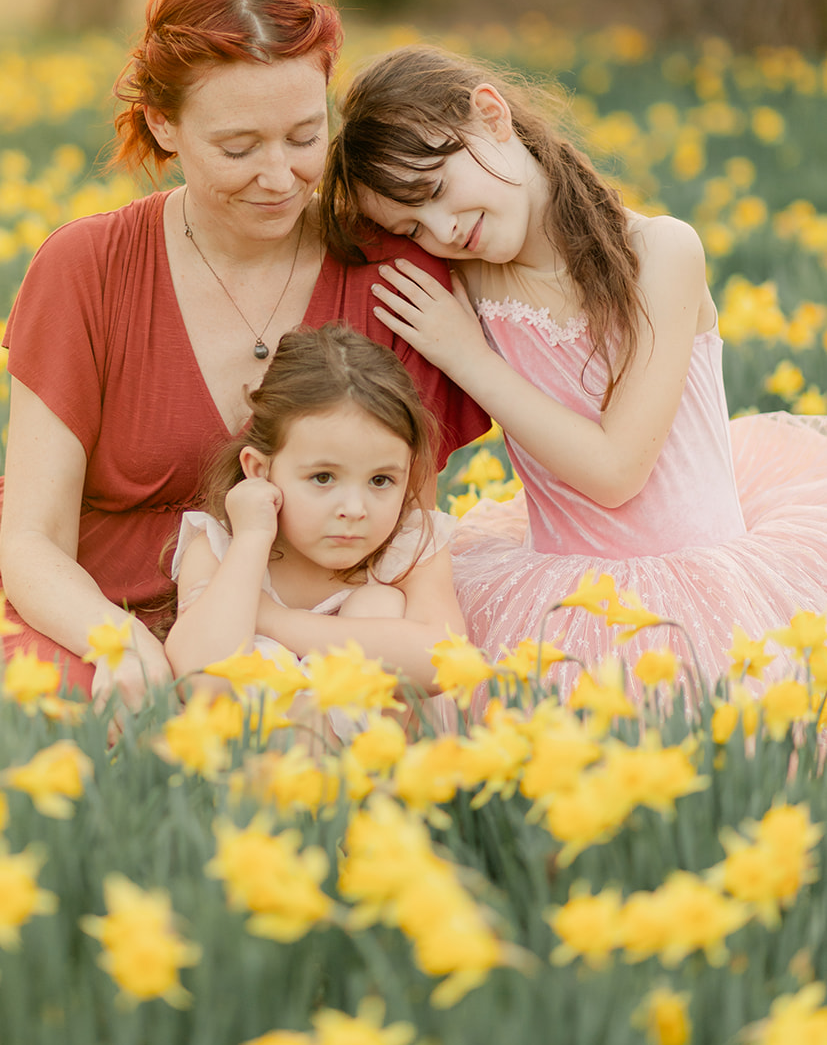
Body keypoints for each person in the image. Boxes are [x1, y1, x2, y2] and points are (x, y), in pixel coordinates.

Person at [0, 0, 488, 715]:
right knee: (67, 713)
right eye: (237, 147)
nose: (278, 176)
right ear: (163, 123)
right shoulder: (87, 265)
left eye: (302, 136)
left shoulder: (391, 278)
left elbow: (392, 545)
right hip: (55, 595)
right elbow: (31, 542)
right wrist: (120, 644)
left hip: (257, 616)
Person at [320, 44, 827, 687]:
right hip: (561, 592)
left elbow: (617, 472)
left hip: (705, 591)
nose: (441, 231)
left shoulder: (660, 253)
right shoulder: (465, 279)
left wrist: (465, 354)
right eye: (413, 227)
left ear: (491, 115)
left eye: (437, 191)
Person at [166, 322, 462, 698]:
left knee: (378, 602)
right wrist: (253, 539)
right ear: (260, 470)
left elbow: (446, 661)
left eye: (381, 480)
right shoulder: (220, 550)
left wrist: (276, 620)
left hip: (375, 749)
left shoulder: (407, 550)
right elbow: (203, 680)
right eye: (323, 478)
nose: (354, 509)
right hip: (262, 748)